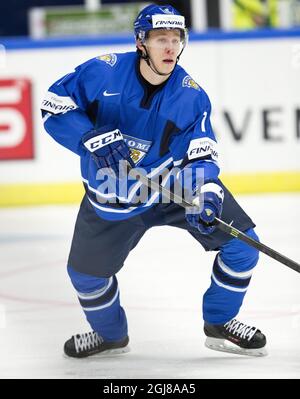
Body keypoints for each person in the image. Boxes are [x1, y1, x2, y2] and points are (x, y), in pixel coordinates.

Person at [41, 4, 267, 358]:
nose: (170, 48)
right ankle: (110, 335)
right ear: (140, 42)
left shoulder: (190, 95)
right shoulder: (104, 72)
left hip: (174, 188)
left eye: (176, 39)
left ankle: (220, 323)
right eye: (161, 38)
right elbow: (55, 106)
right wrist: (88, 136)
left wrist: (206, 195)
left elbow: (201, 155)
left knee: (243, 245)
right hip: (113, 196)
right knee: (86, 276)